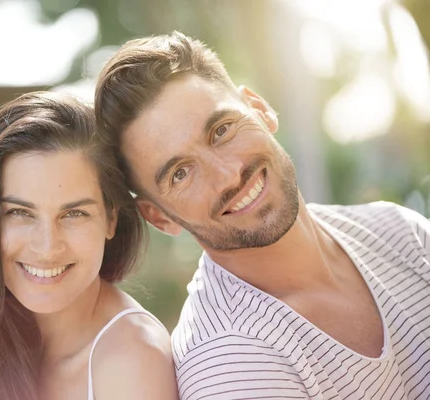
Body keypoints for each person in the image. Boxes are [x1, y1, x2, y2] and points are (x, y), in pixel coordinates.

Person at [94, 31, 430, 399]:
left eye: (221, 130)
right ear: (160, 218)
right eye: (180, 173)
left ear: (259, 108)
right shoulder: (227, 365)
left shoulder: (400, 232)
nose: (228, 175)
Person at [0, 92, 179, 400]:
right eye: (20, 213)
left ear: (110, 220)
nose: (48, 247)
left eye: (74, 213)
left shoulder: (132, 359)